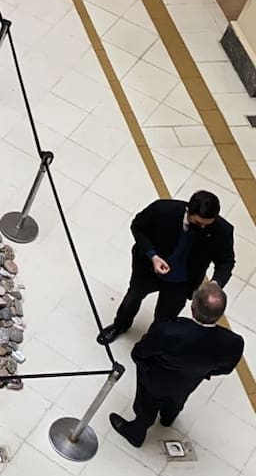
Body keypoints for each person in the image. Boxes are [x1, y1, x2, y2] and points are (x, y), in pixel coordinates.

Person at [109, 282, 244, 447]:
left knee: (146, 405)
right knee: (177, 401)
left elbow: (140, 352)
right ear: (221, 314)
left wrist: (143, 365)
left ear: (193, 308)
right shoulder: (233, 343)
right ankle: (167, 418)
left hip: (155, 379)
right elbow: (226, 368)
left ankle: (136, 433)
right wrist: (201, 371)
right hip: (188, 382)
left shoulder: (169, 330)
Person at [96, 191, 234, 345]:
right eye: (198, 223)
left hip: (183, 282)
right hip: (149, 269)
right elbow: (138, 227)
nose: (202, 227)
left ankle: (151, 341)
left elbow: (226, 261)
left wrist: (215, 284)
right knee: (133, 296)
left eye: (207, 225)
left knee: (166, 317)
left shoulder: (222, 231)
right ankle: (120, 325)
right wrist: (153, 256)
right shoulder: (162, 210)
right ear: (188, 211)